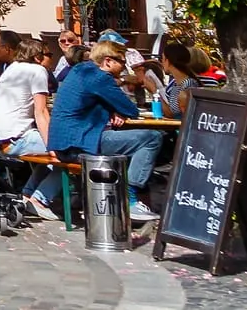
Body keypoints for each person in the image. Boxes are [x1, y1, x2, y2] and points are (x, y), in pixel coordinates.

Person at [51, 39, 165, 224]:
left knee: (134, 144)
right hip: (80, 144)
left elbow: (95, 100)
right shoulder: (100, 77)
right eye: (122, 61)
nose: (124, 66)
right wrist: (117, 104)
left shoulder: (80, 71)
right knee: (152, 138)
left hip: (65, 142)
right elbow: (131, 109)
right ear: (107, 61)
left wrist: (112, 109)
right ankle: (131, 199)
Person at [0, 29, 56, 214]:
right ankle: (40, 199)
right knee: (69, 153)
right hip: (16, 139)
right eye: (48, 55)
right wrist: (53, 145)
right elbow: (41, 111)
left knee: (52, 157)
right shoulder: (37, 71)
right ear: (38, 56)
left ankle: (28, 195)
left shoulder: (11, 69)